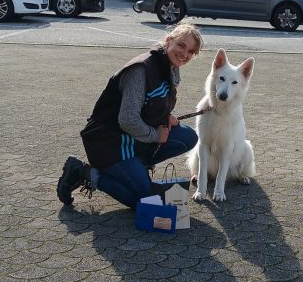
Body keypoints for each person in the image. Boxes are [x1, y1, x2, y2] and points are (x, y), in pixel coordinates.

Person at [56, 24, 203, 208]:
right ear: (168, 41)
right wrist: (156, 135)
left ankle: (136, 166)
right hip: (110, 141)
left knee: (188, 137)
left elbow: (151, 102)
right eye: (181, 45)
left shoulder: (169, 67)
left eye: (191, 52)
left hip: (133, 138)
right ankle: (84, 173)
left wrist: (167, 116)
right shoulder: (141, 70)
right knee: (145, 199)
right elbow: (128, 119)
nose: (185, 54)